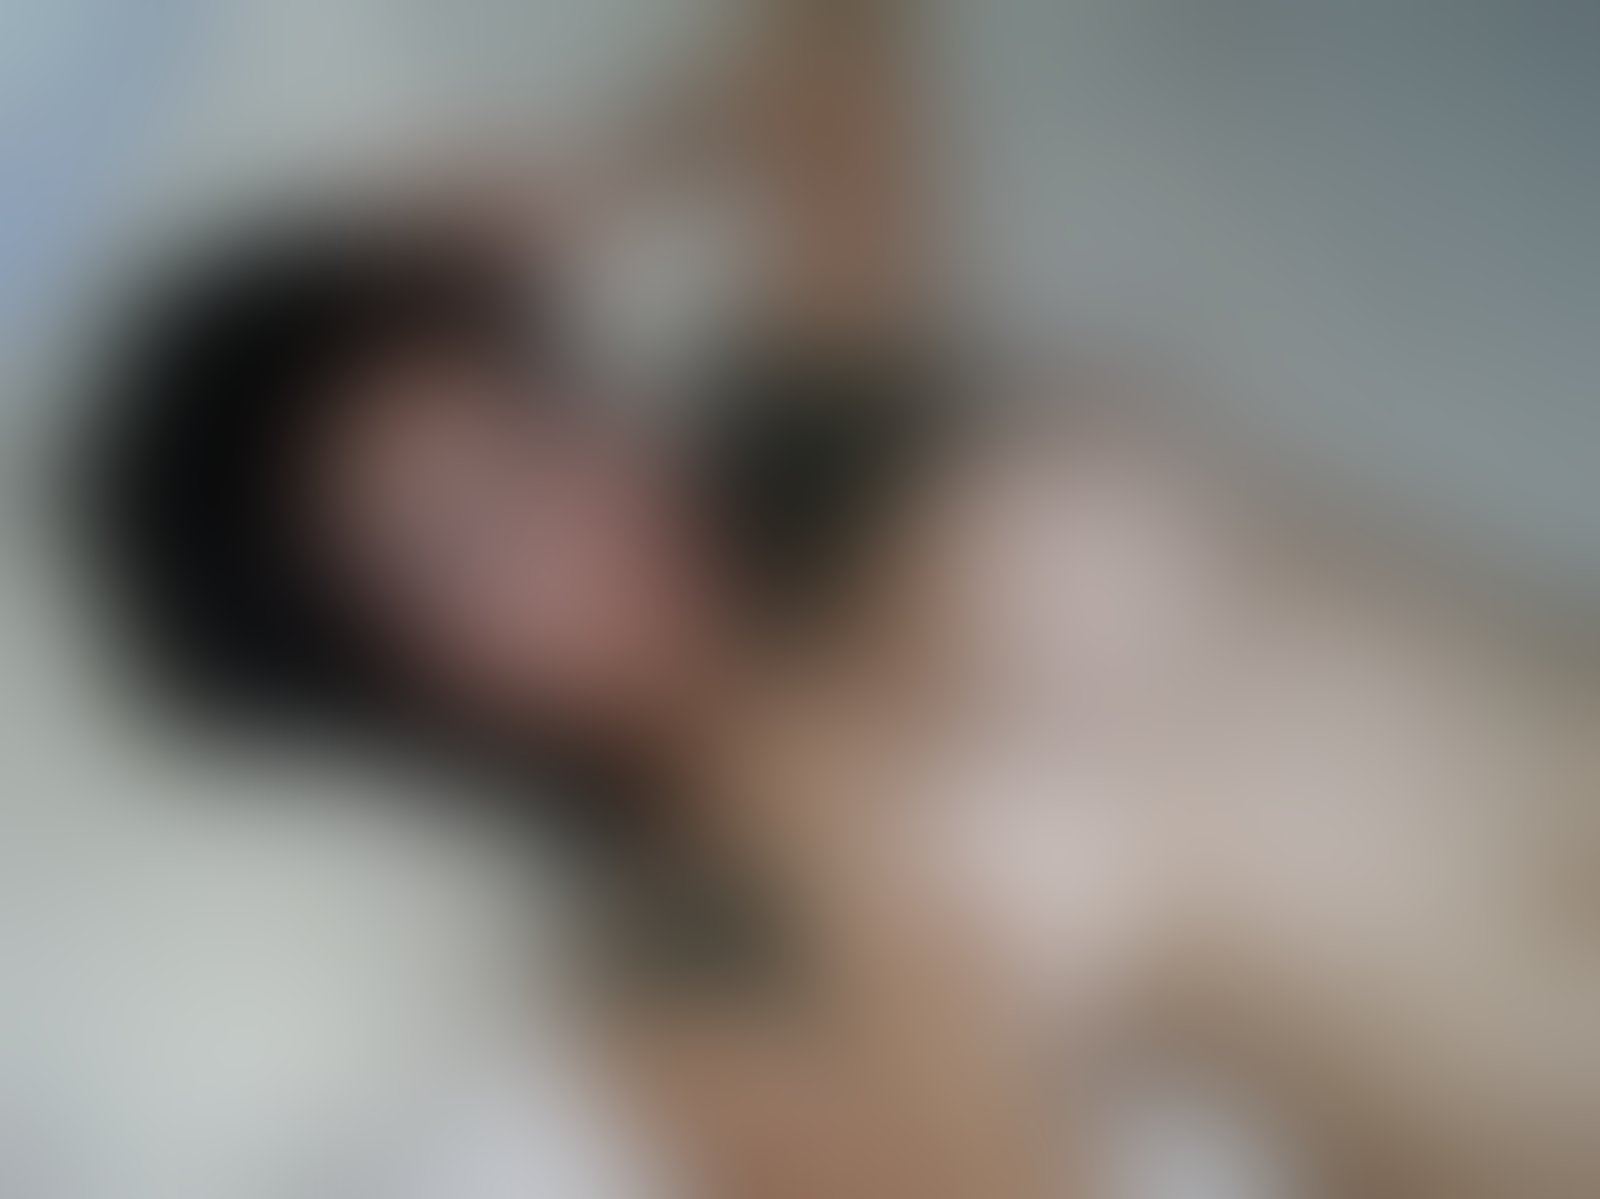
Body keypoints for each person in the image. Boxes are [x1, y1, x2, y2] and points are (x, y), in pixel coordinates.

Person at [82, 3, 1598, 1196]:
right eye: (467, 542)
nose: (574, 505)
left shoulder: (816, 443)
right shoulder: (677, 958)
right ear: (413, 684)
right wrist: (829, 828)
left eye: (530, 413)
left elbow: (832, 37)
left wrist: (612, 168)